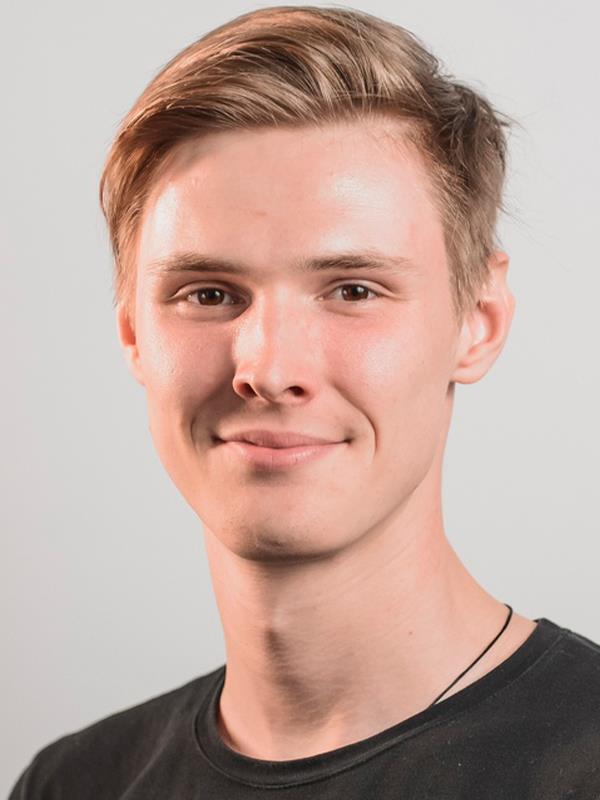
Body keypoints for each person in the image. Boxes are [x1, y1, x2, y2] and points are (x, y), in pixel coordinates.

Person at [9, 5, 600, 798]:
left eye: (353, 289)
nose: (268, 368)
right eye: (208, 293)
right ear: (132, 334)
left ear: (479, 322)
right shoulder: (74, 783)